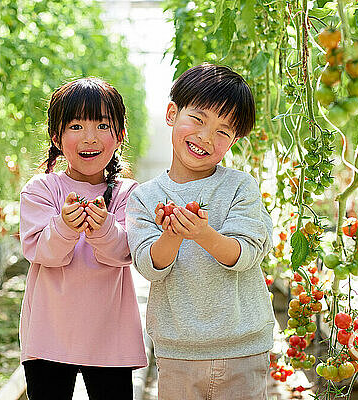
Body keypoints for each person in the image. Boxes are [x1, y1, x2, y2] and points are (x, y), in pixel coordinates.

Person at [126, 63, 274, 399]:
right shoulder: (145, 197)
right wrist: (173, 235)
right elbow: (150, 266)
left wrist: (202, 233)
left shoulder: (240, 187)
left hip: (245, 352)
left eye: (223, 132)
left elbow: (245, 253)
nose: (206, 137)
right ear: (171, 113)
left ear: (234, 140)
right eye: (197, 119)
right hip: (178, 354)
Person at [19, 77, 147, 400]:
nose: (89, 137)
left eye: (102, 125)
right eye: (76, 126)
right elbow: (41, 251)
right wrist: (64, 226)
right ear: (57, 137)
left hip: (109, 338)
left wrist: (102, 229)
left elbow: (123, 252)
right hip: (49, 336)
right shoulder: (41, 190)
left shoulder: (127, 194)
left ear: (118, 137)